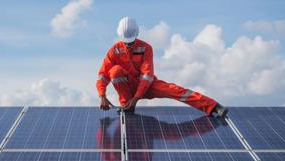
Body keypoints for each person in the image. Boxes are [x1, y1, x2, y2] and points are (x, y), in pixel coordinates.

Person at [96, 17, 228, 117]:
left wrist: (136, 97)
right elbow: (103, 74)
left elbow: (147, 76)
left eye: (131, 42)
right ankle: (126, 106)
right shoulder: (114, 50)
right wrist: (102, 95)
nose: (129, 45)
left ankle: (213, 106)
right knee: (114, 71)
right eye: (126, 42)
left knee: (176, 91)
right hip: (128, 86)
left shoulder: (146, 48)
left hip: (146, 85)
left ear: (137, 34)